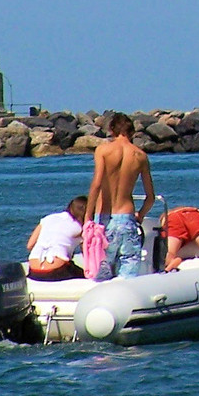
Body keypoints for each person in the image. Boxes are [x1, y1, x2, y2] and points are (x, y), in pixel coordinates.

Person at [85, 113, 155, 280]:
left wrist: (88, 216)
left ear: (111, 130)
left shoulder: (103, 150)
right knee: (128, 269)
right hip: (127, 217)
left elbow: (96, 184)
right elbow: (150, 197)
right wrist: (140, 215)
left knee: (101, 271)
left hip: (104, 218)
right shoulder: (140, 156)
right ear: (131, 132)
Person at [26, 196, 88, 281]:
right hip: (55, 272)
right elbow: (87, 255)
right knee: (84, 275)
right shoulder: (81, 228)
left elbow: (30, 245)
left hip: (34, 272)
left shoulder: (48, 219)